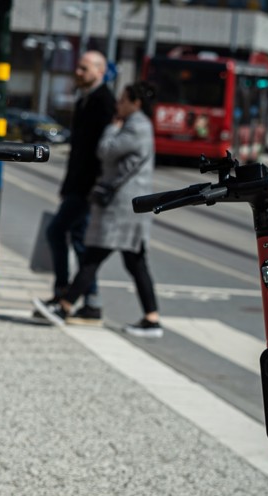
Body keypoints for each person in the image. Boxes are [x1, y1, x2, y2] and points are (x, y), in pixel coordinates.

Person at [41, 82, 162, 338]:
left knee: (93, 257)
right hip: (129, 207)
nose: (118, 104)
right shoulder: (140, 124)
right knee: (134, 262)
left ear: (135, 103)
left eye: (123, 100)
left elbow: (106, 151)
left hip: (122, 207)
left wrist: (110, 129)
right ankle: (152, 319)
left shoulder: (136, 126)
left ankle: (64, 306)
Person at [35, 51, 116, 323]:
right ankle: (89, 301)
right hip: (77, 185)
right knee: (79, 241)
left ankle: (64, 294)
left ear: (99, 70)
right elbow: (78, 150)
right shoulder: (85, 100)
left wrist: (92, 187)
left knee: (58, 232)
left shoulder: (105, 101)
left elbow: (101, 152)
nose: (77, 73)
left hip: (88, 188)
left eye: (83, 68)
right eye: (78, 68)